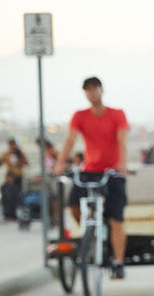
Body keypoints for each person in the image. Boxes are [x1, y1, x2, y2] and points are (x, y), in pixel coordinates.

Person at [54, 76, 130, 280]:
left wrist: (122, 163)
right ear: (85, 93)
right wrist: (60, 162)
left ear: (102, 90)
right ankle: (90, 234)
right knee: (73, 205)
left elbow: (122, 140)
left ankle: (118, 262)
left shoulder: (116, 114)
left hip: (113, 172)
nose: (92, 93)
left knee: (116, 218)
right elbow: (70, 140)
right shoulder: (80, 116)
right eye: (88, 90)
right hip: (89, 170)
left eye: (95, 88)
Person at [0, 138, 28, 221]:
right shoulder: (7, 154)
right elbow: (0, 164)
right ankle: (9, 214)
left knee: (18, 196)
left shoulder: (19, 153)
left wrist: (19, 158)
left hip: (18, 177)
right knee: (7, 195)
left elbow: (26, 163)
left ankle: (18, 214)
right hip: (10, 178)